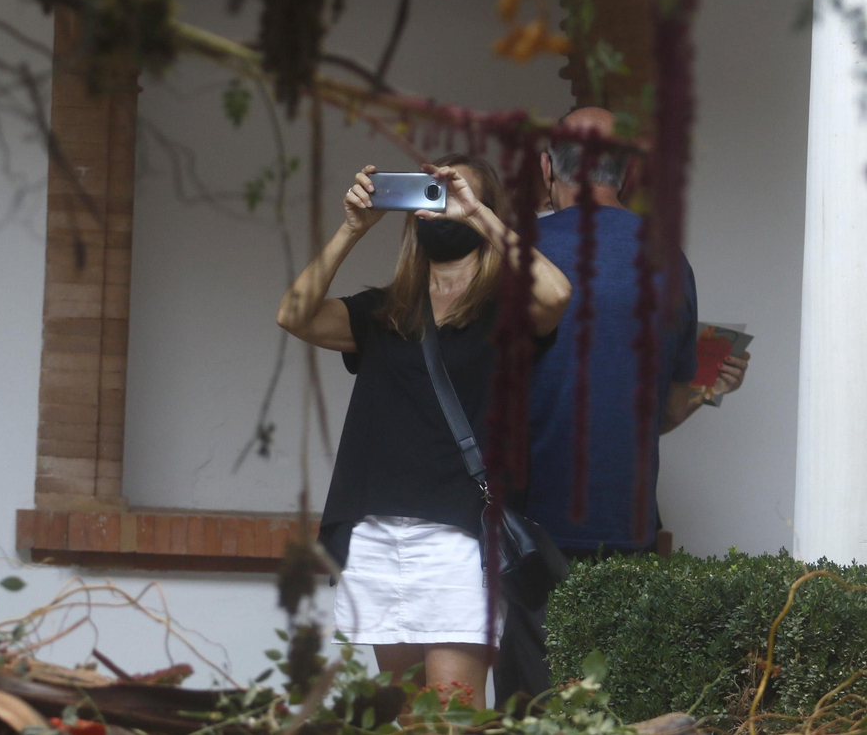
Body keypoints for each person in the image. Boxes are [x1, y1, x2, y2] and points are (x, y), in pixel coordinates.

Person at [277, 156, 572, 706]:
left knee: (454, 715)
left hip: (459, 538)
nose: (440, 204)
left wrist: (479, 213)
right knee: (410, 715)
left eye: (454, 193)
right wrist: (353, 228)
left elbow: (555, 294)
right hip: (376, 532)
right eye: (429, 193)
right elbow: (293, 314)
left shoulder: (506, 313)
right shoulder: (386, 311)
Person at [494, 106, 751, 704]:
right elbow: (659, 414)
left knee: (532, 700)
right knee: (613, 699)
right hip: (628, 523)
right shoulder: (669, 262)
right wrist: (709, 387)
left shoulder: (517, 254)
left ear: (545, 168)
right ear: (628, 174)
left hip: (529, 527)